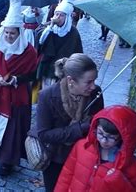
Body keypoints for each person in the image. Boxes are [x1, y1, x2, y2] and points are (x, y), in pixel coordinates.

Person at [0, 0, 38, 177]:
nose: (8, 36)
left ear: (19, 33)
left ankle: (7, 161)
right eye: (6, 32)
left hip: (17, 97)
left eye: (12, 34)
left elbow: (32, 74)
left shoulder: (29, 51)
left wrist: (15, 79)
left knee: (12, 131)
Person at [36, 53, 104, 191]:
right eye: (88, 82)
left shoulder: (95, 93)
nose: (93, 86)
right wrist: (81, 128)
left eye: (94, 80)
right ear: (71, 80)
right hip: (56, 159)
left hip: (83, 158)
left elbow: (98, 122)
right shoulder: (47, 96)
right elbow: (43, 134)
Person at [55, 105, 136, 192]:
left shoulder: (131, 165)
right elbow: (66, 176)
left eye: (111, 137)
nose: (104, 141)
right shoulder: (82, 146)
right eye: (100, 133)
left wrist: (119, 182)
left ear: (122, 138)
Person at [36, 0, 83, 88]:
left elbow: (78, 52)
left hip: (63, 71)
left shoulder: (73, 32)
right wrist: (50, 28)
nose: (57, 17)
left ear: (67, 17)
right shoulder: (49, 27)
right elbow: (40, 41)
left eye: (61, 15)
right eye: (56, 14)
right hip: (48, 68)